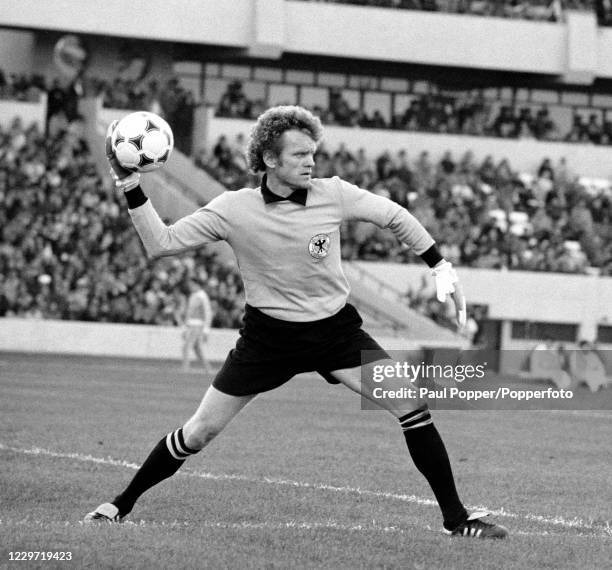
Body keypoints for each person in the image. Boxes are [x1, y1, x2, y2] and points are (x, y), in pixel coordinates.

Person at [84, 105, 507, 539]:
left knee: (412, 406)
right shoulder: (233, 209)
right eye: (300, 154)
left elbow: (394, 216)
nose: (311, 162)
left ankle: (458, 520)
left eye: (313, 154)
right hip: (269, 340)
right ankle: (119, 505)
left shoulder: (333, 193)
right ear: (269, 160)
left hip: (335, 333)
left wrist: (440, 266)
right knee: (199, 431)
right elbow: (162, 243)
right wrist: (131, 185)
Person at [181, 278, 213, 374]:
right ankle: (208, 368)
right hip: (196, 324)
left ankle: (185, 369)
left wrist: (206, 329)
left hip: (196, 324)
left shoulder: (200, 296)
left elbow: (205, 313)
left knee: (187, 346)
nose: (190, 287)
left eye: (192, 285)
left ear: (197, 285)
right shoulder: (197, 295)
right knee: (197, 348)